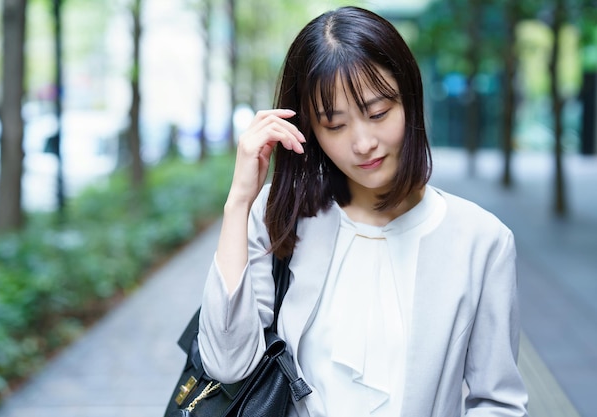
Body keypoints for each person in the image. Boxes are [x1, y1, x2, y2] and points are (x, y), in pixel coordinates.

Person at [197, 6, 529, 417]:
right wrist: (238, 203)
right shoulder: (281, 215)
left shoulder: (482, 241)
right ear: (310, 130)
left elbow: (498, 402)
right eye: (335, 125)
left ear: (409, 99)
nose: (363, 143)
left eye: (377, 113)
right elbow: (227, 364)